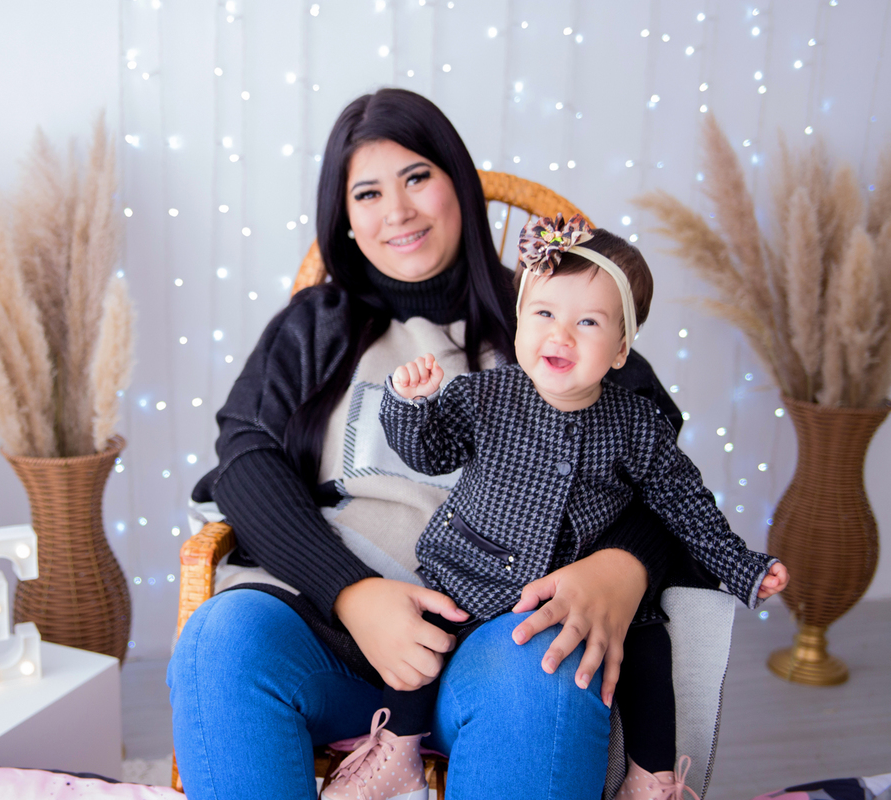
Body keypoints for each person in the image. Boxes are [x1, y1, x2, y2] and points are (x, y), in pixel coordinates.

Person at [168, 88, 691, 800]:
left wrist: (622, 568)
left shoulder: (555, 320)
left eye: (417, 177)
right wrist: (352, 595)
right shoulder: (316, 325)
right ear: (345, 222)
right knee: (218, 644)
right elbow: (246, 459)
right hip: (338, 640)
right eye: (368, 193)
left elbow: (665, 473)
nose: (398, 211)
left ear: (460, 185)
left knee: (547, 669)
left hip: (498, 641)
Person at [333, 217, 788, 800]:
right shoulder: (484, 395)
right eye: (544, 314)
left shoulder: (635, 423)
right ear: (519, 321)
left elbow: (685, 503)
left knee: (650, 645)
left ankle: (652, 779)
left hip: (570, 587)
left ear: (621, 347)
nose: (561, 335)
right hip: (471, 565)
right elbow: (431, 451)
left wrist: (742, 565)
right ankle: (397, 748)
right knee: (423, 634)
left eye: (588, 322)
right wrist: (409, 405)